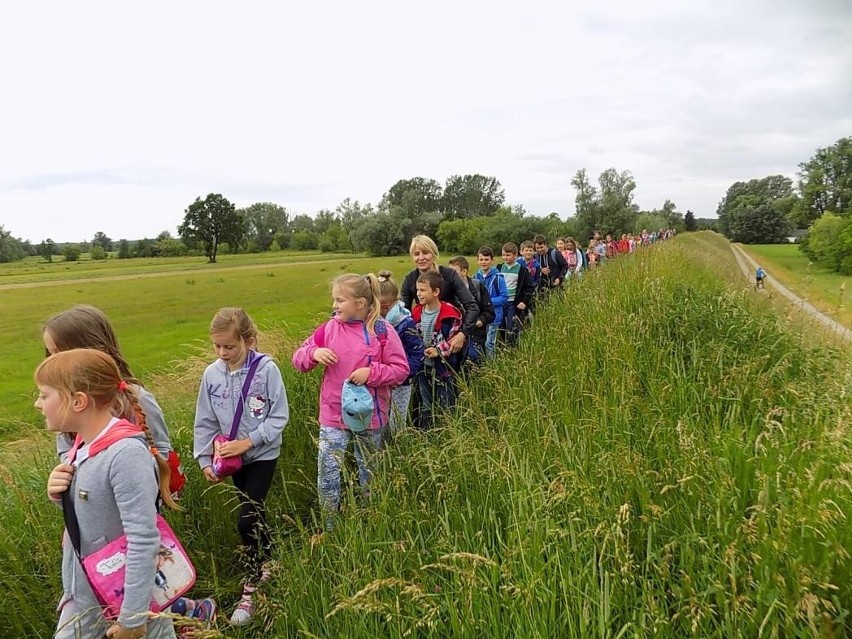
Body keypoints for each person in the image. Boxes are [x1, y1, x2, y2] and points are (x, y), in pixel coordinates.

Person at [39, 348, 178, 639]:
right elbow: (99, 513)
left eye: (44, 394)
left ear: (78, 401)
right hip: (89, 593)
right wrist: (59, 492)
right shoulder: (84, 446)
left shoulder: (125, 455)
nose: (38, 404)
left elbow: (143, 538)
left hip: (128, 601)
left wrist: (134, 618)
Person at [193, 307, 289, 626]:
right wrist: (205, 458)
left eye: (229, 346)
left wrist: (249, 442)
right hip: (233, 461)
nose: (222, 353)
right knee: (256, 515)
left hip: (262, 454)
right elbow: (205, 420)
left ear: (247, 340)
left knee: (245, 521)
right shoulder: (211, 375)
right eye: (217, 346)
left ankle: (250, 591)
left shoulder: (266, 370)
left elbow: (278, 417)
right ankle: (271, 560)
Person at [292, 274, 409, 528]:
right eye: (334, 299)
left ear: (360, 303)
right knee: (328, 474)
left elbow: (401, 370)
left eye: (340, 300)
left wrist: (372, 373)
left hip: (370, 416)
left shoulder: (381, 330)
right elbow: (298, 359)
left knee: (370, 472)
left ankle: (370, 521)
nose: (334, 305)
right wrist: (314, 352)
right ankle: (329, 526)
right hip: (333, 415)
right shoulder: (328, 329)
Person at [43, 305, 186, 498]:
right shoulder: (67, 402)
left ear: (95, 351)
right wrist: (63, 478)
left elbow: (161, 450)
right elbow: (66, 453)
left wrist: (120, 473)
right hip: (89, 506)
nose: (51, 362)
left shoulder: (135, 399)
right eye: (50, 353)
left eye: (60, 353)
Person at [399, 235, 478, 355]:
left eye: (425, 253)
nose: (421, 258)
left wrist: (462, 334)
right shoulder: (410, 279)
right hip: (426, 333)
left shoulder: (449, 275)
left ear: (434, 254)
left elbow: (472, 306)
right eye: (416, 254)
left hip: (452, 334)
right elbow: (404, 313)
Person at [411, 271, 465, 430]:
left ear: (436, 292)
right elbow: (412, 337)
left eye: (422, 290)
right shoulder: (416, 312)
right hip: (423, 367)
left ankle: (449, 430)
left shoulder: (450, 314)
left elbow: (454, 340)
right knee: (426, 401)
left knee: (446, 400)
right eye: (417, 290)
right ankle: (427, 433)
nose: (418, 294)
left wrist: (438, 350)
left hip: (444, 367)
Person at [377, 270, 425, 436]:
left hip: (401, 382)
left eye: (385, 307)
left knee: (398, 418)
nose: (381, 311)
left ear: (394, 302)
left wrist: (404, 374)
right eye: (377, 306)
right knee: (379, 417)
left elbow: (417, 353)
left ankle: (398, 446)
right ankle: (380, 449)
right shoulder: (371, 322)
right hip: (379, 380)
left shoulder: (405, 323)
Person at [447, 256, 494, 364]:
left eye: (454, 272)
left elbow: (490, 312)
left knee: (474, 362)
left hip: (476, 335)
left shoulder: (477, 286)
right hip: (455, 336)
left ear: (464, 271)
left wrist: (480, 321)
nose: (450, 276)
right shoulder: (448, 291)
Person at [474, 246, 508, 359]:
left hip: (494, 315)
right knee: (481, 341)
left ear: (492, 260)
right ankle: (480, 362)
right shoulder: (475, 277)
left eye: (486, 259)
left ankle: (491, 366)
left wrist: (487, 302)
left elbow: (504, 297)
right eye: (481, 259)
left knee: (490, 342)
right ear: (478, 260)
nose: (483, 262)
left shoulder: (498, 278)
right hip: (480, 315)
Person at [497, 242, 534, 345]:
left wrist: (524, 302)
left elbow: (529, 288)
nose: (505, 257)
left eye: (508, 255)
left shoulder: (522, 270)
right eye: (503, 255)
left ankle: (513, 347)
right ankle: (503, 344)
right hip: (501, 302)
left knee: (511, 326)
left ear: (515, 255)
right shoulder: (499, 268)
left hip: (513, 303)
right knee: (501, 326)